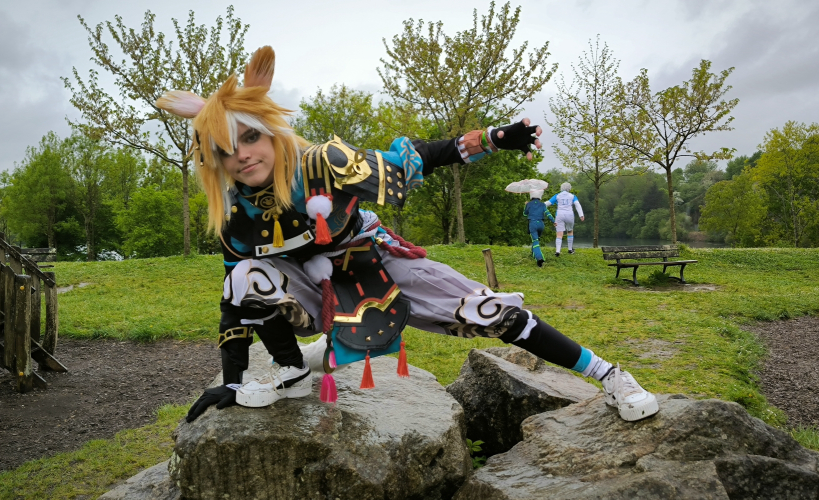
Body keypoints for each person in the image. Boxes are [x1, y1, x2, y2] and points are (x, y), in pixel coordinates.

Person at [158, 46, 658, 424]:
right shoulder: (236, 218)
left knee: (492, 312)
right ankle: (292, 372)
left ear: (270, 133)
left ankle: (610, 376)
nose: (243, 155)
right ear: (214, 161)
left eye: (250, 137)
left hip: (377, 261)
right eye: (226, 149)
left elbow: (413, 157)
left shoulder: (322, 164)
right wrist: (232, 381)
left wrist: (492, 139)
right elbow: (234, 303)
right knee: (244, 277)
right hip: (315, 287)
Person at [545, 182, 584, 256]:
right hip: (569, 215)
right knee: (570, 231)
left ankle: (557, 251)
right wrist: (581, 215)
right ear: (569, 188)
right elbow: (577, 205)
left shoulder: (557, 196)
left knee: (559, 234)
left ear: (561, 188)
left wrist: (538, 206)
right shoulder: (572, 196)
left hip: (559, 215)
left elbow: (548, 203)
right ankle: (570, 249)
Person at [522, 186, 555, 267]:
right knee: (536, 240)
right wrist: (554, 221)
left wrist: (525, 205)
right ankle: (533, 253)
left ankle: (539, 258)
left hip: (533, 224)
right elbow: (548, 213)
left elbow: (525, 214)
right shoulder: (543, 204)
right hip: (541, 224)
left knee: (535, 241)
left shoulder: (529, 204)